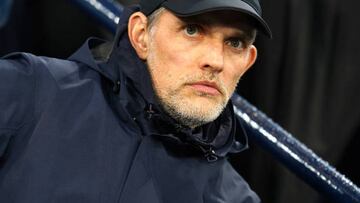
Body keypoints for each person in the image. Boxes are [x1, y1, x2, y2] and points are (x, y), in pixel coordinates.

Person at [0, 0, 271, 202]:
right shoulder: (28, 88)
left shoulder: (236, 199)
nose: (216, 60)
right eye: (192, 29)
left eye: (235, 43)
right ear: (141, 35)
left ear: (248, 61)